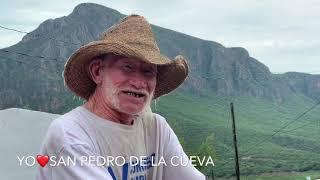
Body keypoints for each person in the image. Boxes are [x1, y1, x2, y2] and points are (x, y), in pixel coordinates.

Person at [36, 14, 205, 180]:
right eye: (127, 67)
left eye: (148, 71)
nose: (139, 83)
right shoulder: (70, 135)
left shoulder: (157, 129)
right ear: (97, 71)